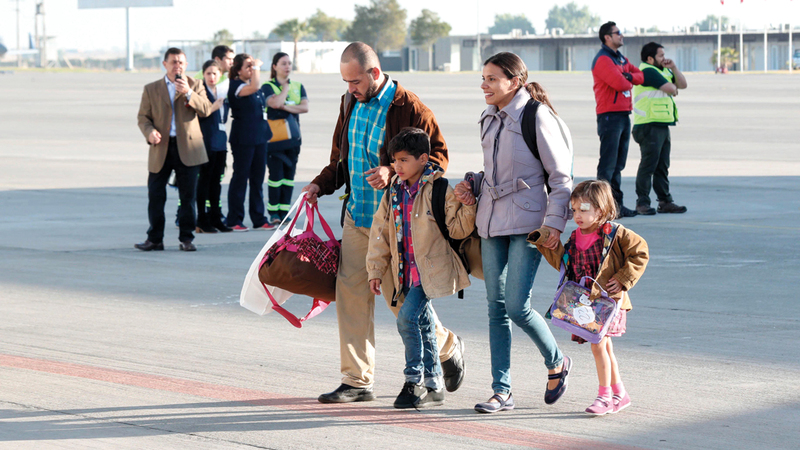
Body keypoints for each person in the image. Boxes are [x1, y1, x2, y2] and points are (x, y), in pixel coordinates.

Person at [302, 42, 466, 404]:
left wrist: (393, 170)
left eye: (356, 81)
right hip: (357, 215)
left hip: (397, 224)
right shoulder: (349, 104)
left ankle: (447, 344)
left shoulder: (411, 108)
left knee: (399, 301)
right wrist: (319, 184)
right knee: (351, 297)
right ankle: (357, 380)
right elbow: (340, 160)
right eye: (346, 82)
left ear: (375, 73)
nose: (350, 89)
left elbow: (437, 158)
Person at [453, 52, 572, 413]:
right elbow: (495, 171)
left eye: (492, 79)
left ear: (514, 82)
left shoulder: (537, 116)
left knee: (517, 306)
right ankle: (501, 391)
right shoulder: (488, 118)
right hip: (491, 221)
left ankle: (557, 361)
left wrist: (553, 224)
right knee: (495, 309)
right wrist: (473, 182)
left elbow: (561, 179)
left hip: (528, 222)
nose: (484, 85)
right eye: (483, 78)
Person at [367, 128, 476, 409]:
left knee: (406, 319)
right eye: (394, 161)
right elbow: (381, 229)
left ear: (423, 158)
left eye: (403, 160)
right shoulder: (393, 189)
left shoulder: (438, 188)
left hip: (430, 271)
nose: (397, 166)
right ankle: (435, 385)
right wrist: (375, 270)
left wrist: (469, 206)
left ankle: (413, 380)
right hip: (404, 271)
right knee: (424, 324)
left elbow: (458, 228)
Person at [528, 180, 649, 416]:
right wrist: (544, 242)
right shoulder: (575, 237)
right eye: (574, 210)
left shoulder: (615, 233)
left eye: (583, 209)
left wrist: (624, 277)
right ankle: (620, 394)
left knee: (598, 347)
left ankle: (604, 396)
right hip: (587, 304)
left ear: (601, 210)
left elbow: (640, 251)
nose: (577, 215)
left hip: (608, 304)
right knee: (605, 348)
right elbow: (565, 264)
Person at [135, 47, 212, 252]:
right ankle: (155, 239)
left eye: (180, 62)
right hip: (161, 147)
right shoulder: (151, 89)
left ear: (186, 65)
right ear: (165, 64)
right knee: (156, 194)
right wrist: (149, 132)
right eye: (173, 62)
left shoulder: (196, 85)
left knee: (188, 197)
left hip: (188, 147)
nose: (177, 65)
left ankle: (186, 238)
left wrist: (188, 92)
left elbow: (205, 110)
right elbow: (143, 117)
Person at [591, 21, 644, 219]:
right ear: (607, 37)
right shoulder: (604, 60)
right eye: (618, 33)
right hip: (609, 116)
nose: (621, 36)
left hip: (623, 115)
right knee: (608, 164)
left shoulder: (619, 58)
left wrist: (626, 74)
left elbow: (640, 76)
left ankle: (617, 205)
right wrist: (628, 76)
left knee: (618, 164)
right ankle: (602, 207)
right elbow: (621, 83)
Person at [632, 42, 688, 215]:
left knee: (662, 166)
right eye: (661, 56)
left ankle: (665, 201)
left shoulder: (662, 71)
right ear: (650, 58)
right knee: (648, 166)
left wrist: (674, 68)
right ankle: (642, 202)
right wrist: (673, 87)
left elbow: (682, 84)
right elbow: (672, 89)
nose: (665, 58)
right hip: (648, 124)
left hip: (661, 124)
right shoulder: (647, 71)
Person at [225, 53, 273, 232]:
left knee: (258, 179)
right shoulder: (237, 86)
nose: (251, 69)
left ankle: (259, 218)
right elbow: (254, 86)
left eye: (252, 66)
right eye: (248, 67)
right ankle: (234, 218)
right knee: (240, 178)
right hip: (243, 139)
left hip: (260, 137)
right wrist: (258, 68)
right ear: (238, 71)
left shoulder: (254, 87)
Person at [262, 52, 309, 224]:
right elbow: (273, 103)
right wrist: (285, 91)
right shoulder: (268, 86)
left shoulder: (298, 85)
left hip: (293, 139)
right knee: (276, 176)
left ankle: (284, 211)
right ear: (274, 67)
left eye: (289, 63)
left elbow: (305, 108)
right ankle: (274, 213)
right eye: (283, 63)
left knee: (289, 176)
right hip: (275, 140)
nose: (287, 66)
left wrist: (285, 106)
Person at [196, 60, 232, 233]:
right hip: (206, 140)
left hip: (220, 140)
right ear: (203, 74)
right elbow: (198, 114)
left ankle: (216, 217)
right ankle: (201, 219)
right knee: (204, 180)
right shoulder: (200, 91)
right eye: (208, 73)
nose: (211, 77)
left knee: (216, 182)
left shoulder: (221, 91)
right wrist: (212, 107)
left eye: (215, 73)